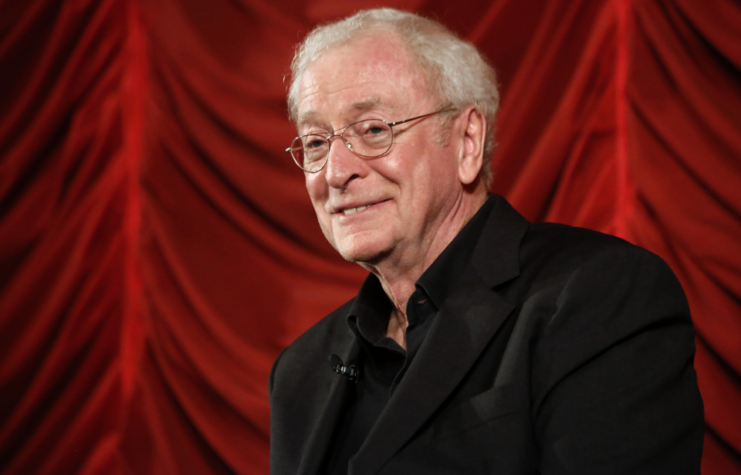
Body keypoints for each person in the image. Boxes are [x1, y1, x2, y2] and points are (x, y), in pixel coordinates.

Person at [269, 8, 704, 475]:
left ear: (467, 142)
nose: (335, 172)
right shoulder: (300, 372)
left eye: (373, 130)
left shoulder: (600, 297)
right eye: (315, 142)